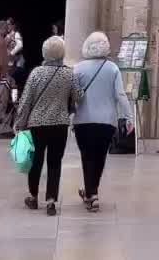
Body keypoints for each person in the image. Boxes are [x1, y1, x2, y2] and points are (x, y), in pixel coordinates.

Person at [13, 35, 78, 214]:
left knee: (36, 161)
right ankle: (51, 200)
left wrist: (20, 122)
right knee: (55, 162)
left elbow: (26, 100)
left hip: (37, 124)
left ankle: (33, 196)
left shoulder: (36, 73)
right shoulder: (68, 73)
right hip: (59, 124)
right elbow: (79, 96)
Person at [72, 31, 132, 212]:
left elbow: (74, 96)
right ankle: (93, 192)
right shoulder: (112, 68)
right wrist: (128, 117)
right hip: (107, 121)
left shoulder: (78, 68)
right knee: (100, 157)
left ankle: (91, 193)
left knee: (86, 156)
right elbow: (120, 95)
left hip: (83, 120)